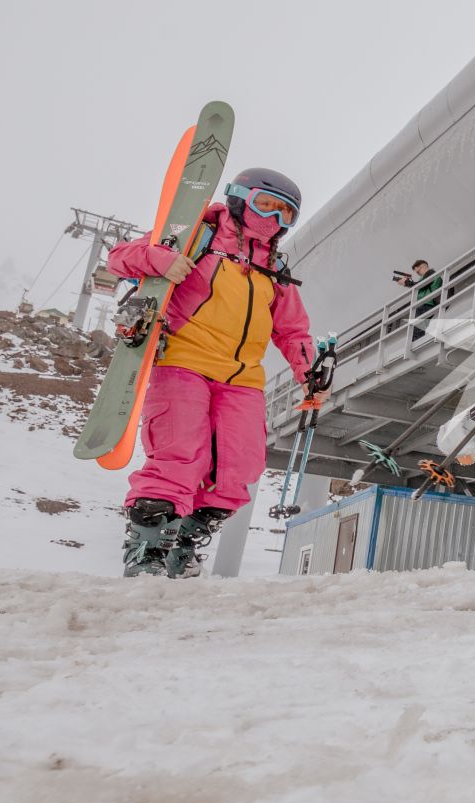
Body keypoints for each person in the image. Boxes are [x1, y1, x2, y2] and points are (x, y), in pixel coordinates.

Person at [106, 168, 321, 577]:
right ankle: (147, 551)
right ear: (240, 199)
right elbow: (120, 257)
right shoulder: (198, 237)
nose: (273, 220)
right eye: (266, 206)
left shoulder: (274, 270)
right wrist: (161, 260)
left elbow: (293, 329)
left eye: (285, 215)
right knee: (180, 453)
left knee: (240, 467)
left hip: (241, 379)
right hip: (184, 361)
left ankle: (181, 546)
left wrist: (309, 370)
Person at [396, 258, 440, 341]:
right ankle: (416, 343)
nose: (418, 274)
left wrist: (407, 283)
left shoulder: (431, 273)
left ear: (424, 266)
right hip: (424, 304)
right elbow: (419, 286)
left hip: (426, 303)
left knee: (417, 329)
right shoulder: (426, 277)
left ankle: (416, 344)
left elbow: (421, 285)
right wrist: (408, 283)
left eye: (418, 271)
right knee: (417, 329)